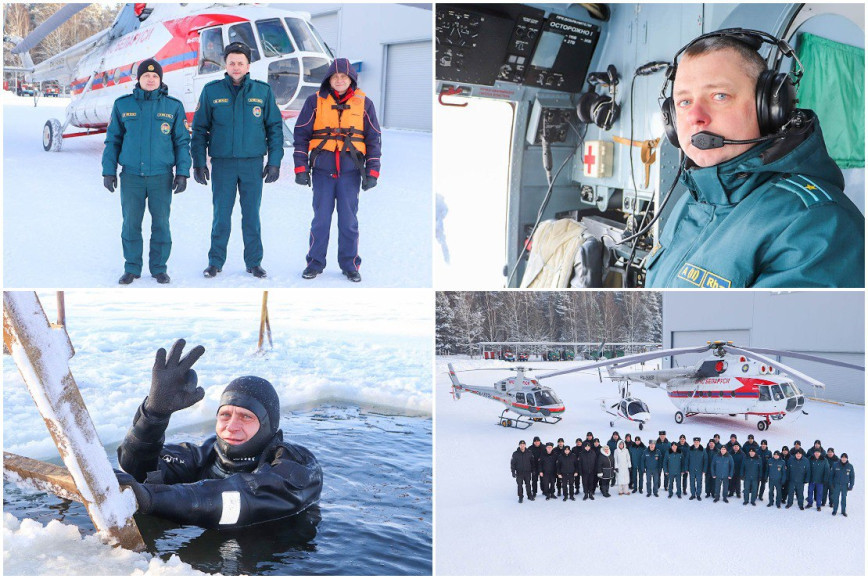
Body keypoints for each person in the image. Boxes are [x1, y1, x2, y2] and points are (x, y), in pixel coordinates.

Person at [646, 28, 865, 288]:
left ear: (771, 108)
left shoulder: (818, 225)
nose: (695, 116)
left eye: (719, 96)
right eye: (683, 102)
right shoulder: (694, 199)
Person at [115, 339, 322, 528]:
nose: (231, 426)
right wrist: (153, 416)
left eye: (246, 417)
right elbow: (139, 470)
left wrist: (152, 498)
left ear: (268, 425)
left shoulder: (298, 469)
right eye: (225, 415)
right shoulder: (205, 455)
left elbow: (235, 501)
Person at [192, 42, 283, 280]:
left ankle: (254, 262)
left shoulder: (262, 92)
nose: (236, 67)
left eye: (240, 63)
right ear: (225, 64)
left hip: (252, 164)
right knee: (221, 215)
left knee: (251, 215)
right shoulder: (212, 91)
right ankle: (215, 262)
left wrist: (274, 162)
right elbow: (200, 130)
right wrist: (199, 163)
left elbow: (274, 128)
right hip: (223, 164)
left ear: (248, 65)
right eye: (231, 62)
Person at [293, 58, 382, 283]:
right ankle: (314, 264)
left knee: (349, 222)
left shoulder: (365, 104)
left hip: (351, 172)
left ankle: (350, 265)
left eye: (344, 76)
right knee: (320, 221)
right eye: (335, 77)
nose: (340, 80)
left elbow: (374, 139)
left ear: (351, 79)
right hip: (323, 171)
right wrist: (301, 167)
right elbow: (301, 136)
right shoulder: (314, 102)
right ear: (329, 80)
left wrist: (373, 171)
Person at [102, 58, 190, 285]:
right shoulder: (123, 105)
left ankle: (159, 268)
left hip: (161, 176)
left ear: (160, 80)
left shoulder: (173, 106)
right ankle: (132, 268)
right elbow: (113, 140)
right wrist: (108, 170)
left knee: (161, 223)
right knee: (131, 223)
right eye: (145, 76)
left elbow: (182, 142)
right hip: (131, 176)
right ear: (138, 79)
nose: (150, 80)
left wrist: (182, 172)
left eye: (155, 76)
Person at [829, 453, 854, 517]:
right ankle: (834, 510)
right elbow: (831, 475)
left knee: (844, 499)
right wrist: (831, 484)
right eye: (842, 457)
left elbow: (852, 477)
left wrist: (851, 485)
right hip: (836, 485)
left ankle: (843, 511)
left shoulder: (850, 466)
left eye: (845, 458)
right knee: (835, 498)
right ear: (840, 458)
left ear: (847, 458)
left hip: (844, 485)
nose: (843, 459)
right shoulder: (835, 465)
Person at [686, 436, 707, 501]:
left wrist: (704, 469)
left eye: (697, 442)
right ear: (693, 442)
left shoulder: (703, 450)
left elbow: (705, 460)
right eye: (695, 442)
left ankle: (698, 495)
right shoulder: (690, 449)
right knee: (692, 482)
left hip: (699, 470)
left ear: (699, 442)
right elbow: (687, 459)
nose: (696, 443)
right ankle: (692, 494)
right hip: (691, 469)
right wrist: (686, 468)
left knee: (699, 482)